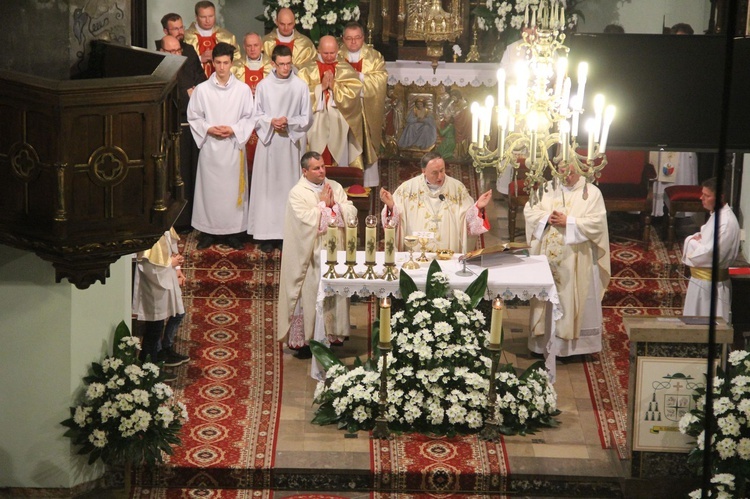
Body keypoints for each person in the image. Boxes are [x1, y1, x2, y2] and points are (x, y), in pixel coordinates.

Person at [524, 164, 611, 359]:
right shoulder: (546, 189)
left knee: (575, 297)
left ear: (581, 169)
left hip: (577, 258)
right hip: (547, 259)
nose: (567, 176)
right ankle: (541, 345)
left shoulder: (591, 193)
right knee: (546, 299)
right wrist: (547, 218)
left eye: (571, 172)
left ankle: (575, 350)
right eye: (562, 171)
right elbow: (529, 211)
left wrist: (569, 222)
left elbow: (597, 223)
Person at [278, 151, 357, 358]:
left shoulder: (336, 187)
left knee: (334, 295)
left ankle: (332, 336)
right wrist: (324, 206)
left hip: (334, 251)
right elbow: (304, 221)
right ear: (305, 171)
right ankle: (306, 341)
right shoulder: (297, 193)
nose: (322, 171)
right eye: (316, 168)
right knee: (310, 296)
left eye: (322, 166)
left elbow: (350, 211)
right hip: (310, 256)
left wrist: (336, 207)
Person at [187, 42, 256, 250]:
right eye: (218, 62)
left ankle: (234, 232)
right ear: (212, 63)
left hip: (233, 148)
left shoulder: (242, 90)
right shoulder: (202, 90)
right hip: (211, 148)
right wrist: (208, 128)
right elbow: (194, 116)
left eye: (226, 63)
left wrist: (234, 129)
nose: (222, 67)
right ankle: (209, 231)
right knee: (210, 191)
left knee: (232, 191)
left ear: (232, 63)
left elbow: (249, 117)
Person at [247, 44, 312, 253]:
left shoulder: (300, 86)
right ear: (273, 63)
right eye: (281, 64)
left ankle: (286, 234)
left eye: (288, 63)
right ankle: (266, 234)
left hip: (290, 145)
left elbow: (307, 118)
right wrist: (271, 122)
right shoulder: (264, 86)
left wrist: (289, 122)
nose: (286, 68)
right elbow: (255, 115)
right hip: (270, 144)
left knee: (288, 188)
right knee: (268, 189)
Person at [379, 151, 492, 253]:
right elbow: (393, 221)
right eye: (434, 173)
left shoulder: (457, 188)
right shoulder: (407, 188)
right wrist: (391, 206)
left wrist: (478, 207)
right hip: (416, 252)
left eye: (442, 170)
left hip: (448, 252)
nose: (440, 176)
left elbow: (467, 222)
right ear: (423, 171)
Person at [159, 34, 207, 230]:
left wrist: (192, 93)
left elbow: (202, 84)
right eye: (171, 51)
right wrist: (188, 94)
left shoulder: (188, 63)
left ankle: (192, 219)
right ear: (162, 52)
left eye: (178, 50)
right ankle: (177, 220)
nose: (176, 54)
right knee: (176, 175)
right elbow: (171, 97)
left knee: (192, 173)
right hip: (171, 129)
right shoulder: (160, 71)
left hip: (192, 129)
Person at [297, 35, 364, 169]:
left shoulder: (345, 68)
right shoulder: (306, 69)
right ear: (318, 50)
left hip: (338, 118)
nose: (329, 56)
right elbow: (299, 95)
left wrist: (334, 86)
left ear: (338, 50)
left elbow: (353, 93)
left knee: (338, 151)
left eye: (332, 53)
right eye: (325, 53)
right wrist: (320, 88)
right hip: (316, 118)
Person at [132, 228, 190, 381]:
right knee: (153, 330)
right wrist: (171, 263)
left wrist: (176, 267)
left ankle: (156, 362)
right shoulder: (149, 235)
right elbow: (149, 268)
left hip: (166, 282)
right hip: (154, 290)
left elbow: (172, 247)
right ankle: (149, 370)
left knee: (158, 327)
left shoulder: (163, 227)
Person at [682, 178, 740, 323]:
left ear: (720, 197)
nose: (701, 198)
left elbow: (710, 253)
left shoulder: (725, 222)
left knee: (707, 324)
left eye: (706, 195)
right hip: (702, 281)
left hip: (710, 286)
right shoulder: (717, 215)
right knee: (694, 323)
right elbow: (704, 239)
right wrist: (696, 240)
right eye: (702, 194)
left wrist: (690, 242)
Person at [338, 22, 387, 188]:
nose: (353, 42)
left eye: (357, 38)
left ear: (363, 38)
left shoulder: (374, 56)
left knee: (363, 143)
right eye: (349, 38)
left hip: (364, 107)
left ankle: (366, 182)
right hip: (342, 109)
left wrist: (358, 77)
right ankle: (343, 179)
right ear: (343, 39)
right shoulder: (336, 55)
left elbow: (381, 79)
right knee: (343, 144)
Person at [231, 32, 272, 190]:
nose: (253, 49)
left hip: (265, 117)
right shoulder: (235, 67)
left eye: (256, 45)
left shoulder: (272, 67)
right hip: (243, 117)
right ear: (243, 47)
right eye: (249, 46)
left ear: (261, 46)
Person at [184, 1, 239, 78]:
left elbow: (237, 61)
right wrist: (199, 58)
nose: (208, 21)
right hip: (194, 82)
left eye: (211, 16)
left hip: (221, 83)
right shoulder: (186, 37)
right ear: (196, 17)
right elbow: (180, 62)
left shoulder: (227, 37)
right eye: (203, 17)